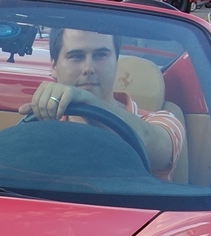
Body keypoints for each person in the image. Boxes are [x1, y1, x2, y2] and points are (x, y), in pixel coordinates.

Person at [21, 27, 185, 179]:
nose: (88, 68)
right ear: (54, 66)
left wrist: (88, 102)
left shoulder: (164, 121)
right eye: (76, 56)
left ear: (116, 62)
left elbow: (152, 145)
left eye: (100, 55)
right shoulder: (39, 127)